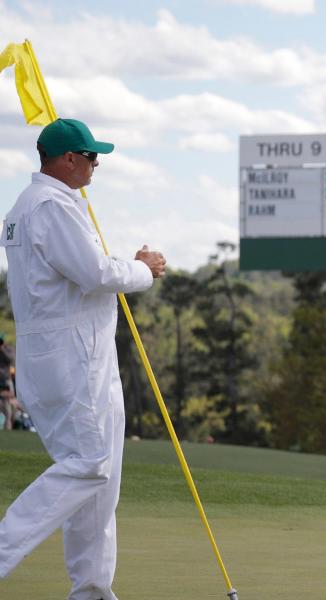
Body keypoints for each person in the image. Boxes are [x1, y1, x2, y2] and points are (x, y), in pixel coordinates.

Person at [0, 118, 166, 600]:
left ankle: (92, 592)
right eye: (91, 157)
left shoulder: (35, 206)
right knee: (90, 464)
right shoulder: (50, 204)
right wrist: (143, 269)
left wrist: (127, 269)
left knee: (101, 477)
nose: (96, 164)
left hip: (77, 356)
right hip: (71, 359)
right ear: (67, 159)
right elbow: (94, 273)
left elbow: (76, 273)